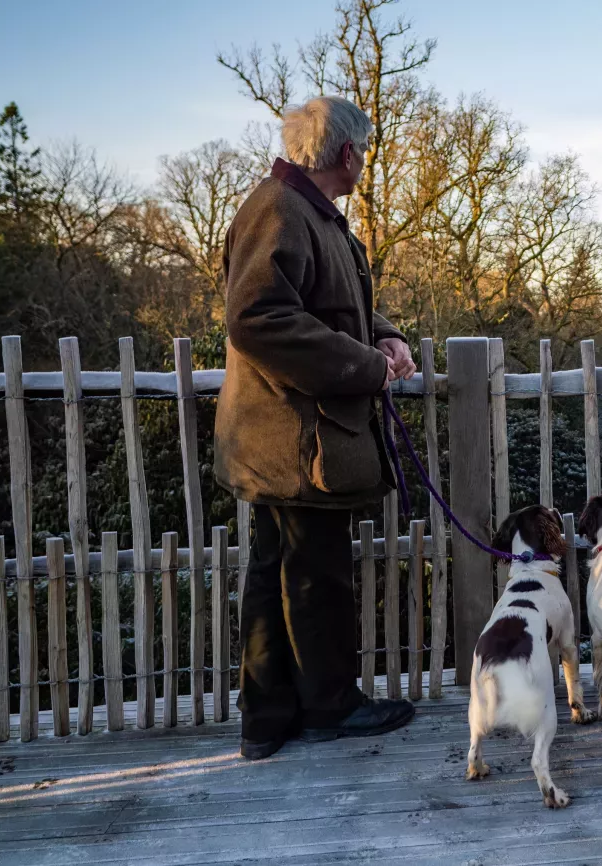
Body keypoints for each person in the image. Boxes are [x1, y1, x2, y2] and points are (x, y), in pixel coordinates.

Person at [215, 96, 419, 760]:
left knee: (282, 572)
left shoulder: (306, 211)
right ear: (349, 154)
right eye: (367, 151)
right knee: (313, 575)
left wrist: (385, 338)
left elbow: (335, 305)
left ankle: (269, 720)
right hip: (295, 438)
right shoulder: (280, 209)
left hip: (296, 434)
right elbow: (258, 319)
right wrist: (364, 364)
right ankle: (329, 708)